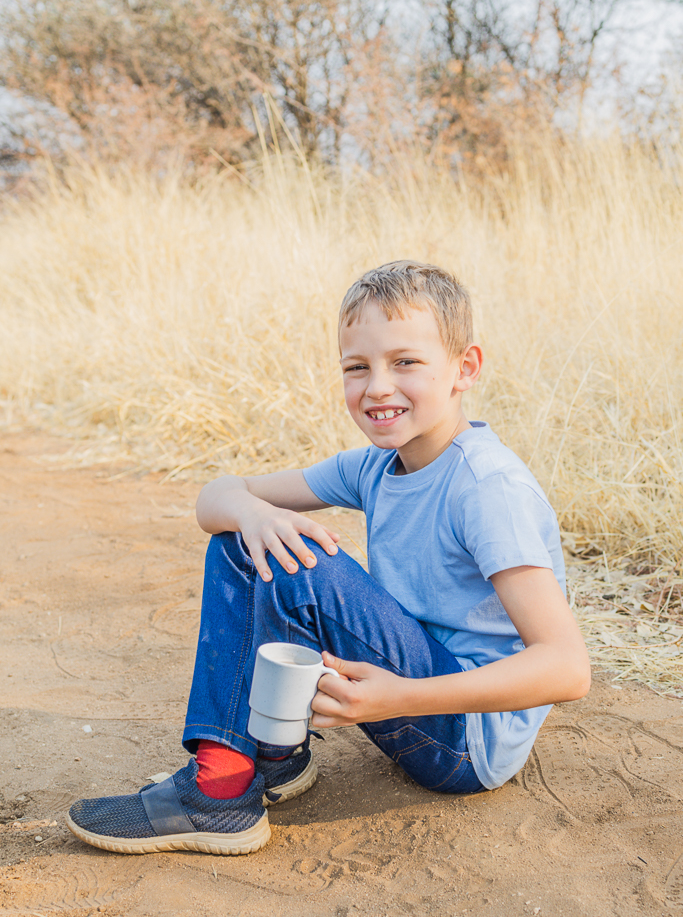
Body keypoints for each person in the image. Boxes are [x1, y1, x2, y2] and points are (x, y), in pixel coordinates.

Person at [66, 260, 590, 856]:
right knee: (249, 536)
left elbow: (567, 668)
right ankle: (276, 756)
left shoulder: (487, 489)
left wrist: (400, 697)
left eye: (406, 362)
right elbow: (218, 494)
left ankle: (219, 795)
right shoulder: (375, 467)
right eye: (357, 367)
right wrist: (253, 513)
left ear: (464, 368)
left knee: (295, 559)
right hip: (413, 691)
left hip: (464, 740)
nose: (378, 387)